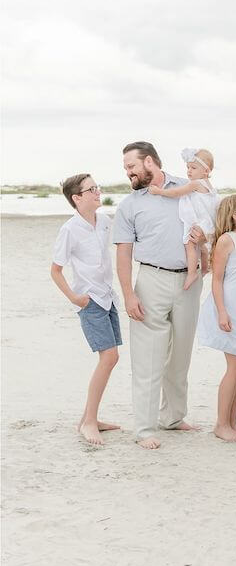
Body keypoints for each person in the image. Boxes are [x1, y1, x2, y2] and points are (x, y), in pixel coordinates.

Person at [113, 141, 202, 449]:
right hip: (150, 279)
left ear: (149, 162)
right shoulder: (129, 205)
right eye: (127, 168)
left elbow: (211, 222)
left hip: (189, 282)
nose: (128, 173)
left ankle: (173, 418)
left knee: (180, 356)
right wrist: (128, 295)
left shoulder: (188, 188)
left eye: (131, 166)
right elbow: (123, 254)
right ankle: (144, 429)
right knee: (148, 359)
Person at [50, 174, 121, 445]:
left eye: (97, 187)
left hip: (108, 297)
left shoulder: (104, 221)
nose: (97, 192)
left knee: (111, 358)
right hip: (90, 302)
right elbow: (55, 270)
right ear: (77, 198)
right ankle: (89, 421)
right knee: (109, 357)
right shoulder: (69, 229)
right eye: (91, 189)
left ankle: (88, 418)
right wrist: (74, 297)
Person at [197, 194, 236, 442]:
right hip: (230, 310)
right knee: (235, 367)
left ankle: (232, 421)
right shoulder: (226, 241)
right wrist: (222, 311)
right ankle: (221, 424)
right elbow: (217, 279)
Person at [149, 148, 219, 288]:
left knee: (189, 244)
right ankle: (205, 267)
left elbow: (176, 192)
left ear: (206, 171)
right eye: (188, 167)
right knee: (203, 247)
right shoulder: (210, 187)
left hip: (199, 222)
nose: (189, 171)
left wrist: (159, 191)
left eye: (193, 167)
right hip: (207, 223)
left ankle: (192, 272)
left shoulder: (196, 183)